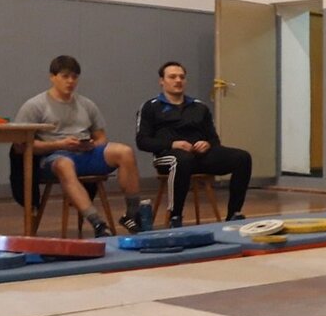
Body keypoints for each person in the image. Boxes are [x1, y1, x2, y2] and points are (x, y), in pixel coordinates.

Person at [13, 55, 144, 237]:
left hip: (84, 153)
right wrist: (60, 144)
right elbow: (21, 146)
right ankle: (97, 222)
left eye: (74, 77)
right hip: (55, 156)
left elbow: (101, 137)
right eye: (65, 76)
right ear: (53, 77)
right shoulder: (35, 105)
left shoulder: (86, 104)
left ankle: (132, 214)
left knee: (125, 151)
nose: (70, 81)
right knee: (65, 165)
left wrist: (90, 145)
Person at [136, 61, 252, 227]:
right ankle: (175, 216)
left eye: (182, 77)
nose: (178, 80)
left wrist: (207, 144)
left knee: (242, 158)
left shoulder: (199, 107)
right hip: (168, 156)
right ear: (162, 81)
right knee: (182, 160)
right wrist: (173, 144)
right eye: (172, 77)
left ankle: (234, 214)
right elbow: (143, 141)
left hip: (199, 157)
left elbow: (214, 139)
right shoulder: (150, 107)